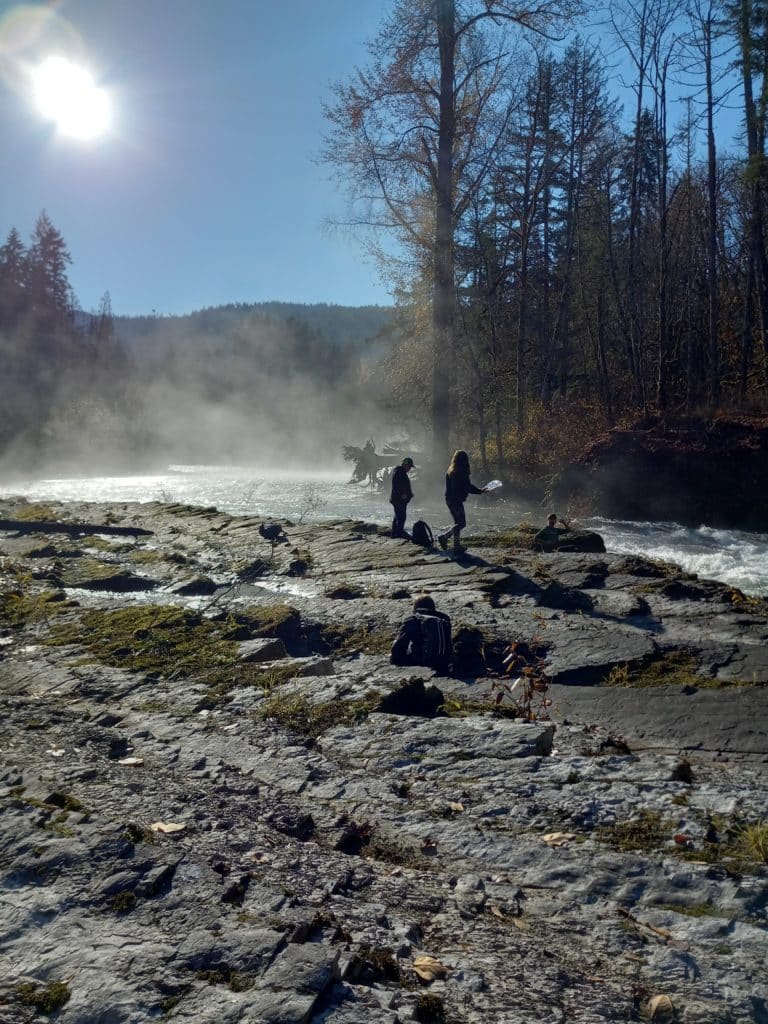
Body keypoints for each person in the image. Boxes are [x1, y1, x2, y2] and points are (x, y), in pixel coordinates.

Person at [437, 450, 487, 554]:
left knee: (457, 522)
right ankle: (444, 536)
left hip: (449, 500)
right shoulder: (462, 470)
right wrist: (480, 491)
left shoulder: (450, 470)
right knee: (462, 523)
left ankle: (457, 545)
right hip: (456, 500)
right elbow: (467, 486)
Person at [390, 595, 452, 674]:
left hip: (423, 663)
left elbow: (397, 649)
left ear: (415, 608)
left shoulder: (413, 619)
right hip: (444, 664)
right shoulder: (444, 619)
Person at [389, 456, 414, 538]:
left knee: (397, 517)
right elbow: (396, 485)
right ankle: (398, 535)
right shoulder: (399, 472)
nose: (410, 468)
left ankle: (394, 534)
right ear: (405, 465)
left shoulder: (400, 471)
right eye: (409, 466)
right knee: (401, 518)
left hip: (398, 499)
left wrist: (409, 493)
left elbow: (403, 486)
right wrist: (402, 494)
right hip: (398, 500)